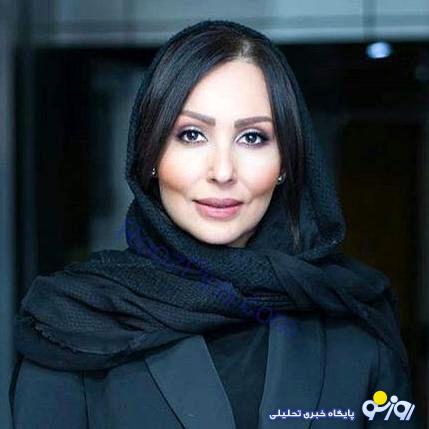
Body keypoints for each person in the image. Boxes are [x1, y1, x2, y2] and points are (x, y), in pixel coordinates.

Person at [9, 19, 420, 429]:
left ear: (285, 162)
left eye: (252, 137)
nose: (222, 171)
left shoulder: (353, 320)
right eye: (191, 134)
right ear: (150, 154)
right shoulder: (72, 327)